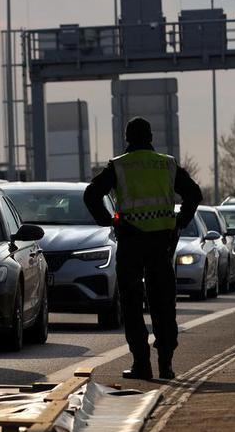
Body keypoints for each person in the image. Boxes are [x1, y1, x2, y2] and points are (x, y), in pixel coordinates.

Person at [83, 117, 202, 380]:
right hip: (162, 243)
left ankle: (141, 364)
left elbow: (91, 195)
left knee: (132, 303)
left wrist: (110, 221)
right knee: (163, 303)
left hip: (131, 241)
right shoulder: (167, 164)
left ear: (127, 138)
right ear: (151, 137)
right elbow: (194, 194)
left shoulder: (118, 166)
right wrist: (179, 222)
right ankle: (166, 364)